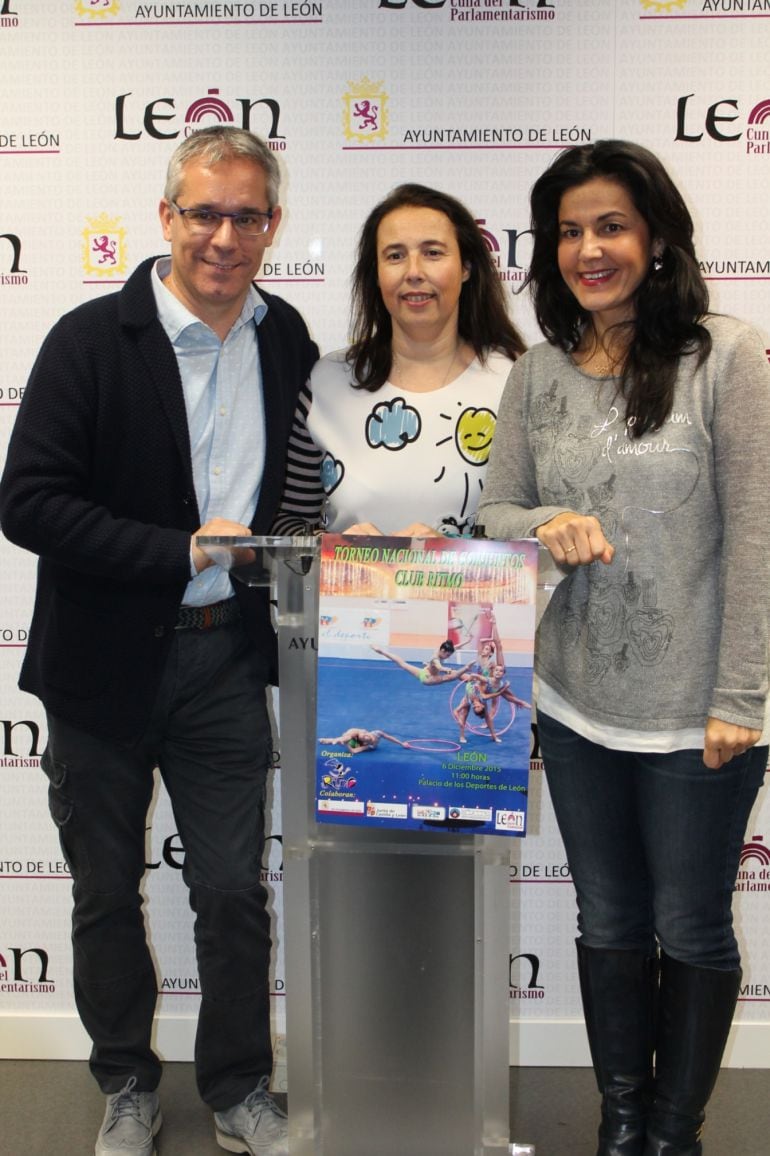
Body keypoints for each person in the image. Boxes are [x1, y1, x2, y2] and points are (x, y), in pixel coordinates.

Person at [0, 126, 318, 1156]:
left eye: (244, 215)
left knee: (231, 887)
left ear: (271, 225)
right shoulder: (91, 339)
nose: (222, 237)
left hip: (226, 657)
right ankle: (127, 1082)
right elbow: (29, 503)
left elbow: (307, 485)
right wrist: (173, 548)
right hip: (100, 667)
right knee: (102, 889)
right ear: (166, 217)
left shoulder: (286, 337)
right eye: (202, 213)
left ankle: (236, 1086)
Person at [478, 139, 770, 1156]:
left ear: (654, 236)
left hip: (697, 710)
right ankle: (620, 1118)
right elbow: (495, 511)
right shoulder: (536, 372)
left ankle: (672, 1131)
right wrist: (542, 519)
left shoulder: (725, 356)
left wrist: (740, 693)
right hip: (571, 700)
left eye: (609, 225)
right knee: (605, 918)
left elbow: (756, 533)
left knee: (687, 924)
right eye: (567, 230)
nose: (587, 248)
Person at [271, 182, 526, 538]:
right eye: (394, 255)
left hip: (470, 596)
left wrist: (456, 560)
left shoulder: (518, 382)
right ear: (375, 273)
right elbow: (285, 524)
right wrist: (335, 550)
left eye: (433, 253)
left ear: (466, 267)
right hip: (346, 595)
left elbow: (536, 534)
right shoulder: (326, 382)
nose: (414, 272)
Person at [371, 640, 473, 685]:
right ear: (443, 651)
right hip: (429, 679)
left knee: (403, 664)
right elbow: (439, 666)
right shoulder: (435, 658)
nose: (448, 657)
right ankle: (467, 670)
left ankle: (381, 651)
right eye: (448, 655)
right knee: (453, 676)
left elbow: (455, 647)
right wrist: (445, 669)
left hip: (424, 672)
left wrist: (467, 641)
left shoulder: (440, 650)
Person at [318, 727, 407, 753]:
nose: (366, 735)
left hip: (354, 742)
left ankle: (332, 740)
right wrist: (401, 743)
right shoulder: (372, 733)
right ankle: (337, 740)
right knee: (347, 737)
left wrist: (347, 744)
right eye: (366, 735)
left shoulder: (370, 745)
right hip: (352, 734)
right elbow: (389, 737)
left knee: (347, 739)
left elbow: (354, 751)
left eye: (366, 736)